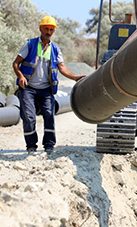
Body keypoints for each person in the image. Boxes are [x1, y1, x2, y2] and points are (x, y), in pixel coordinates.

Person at [13, 16, 85, 155]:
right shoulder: (30, 44)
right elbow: (16, 63)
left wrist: (75, 77)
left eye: (51, 29)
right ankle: (31, 146)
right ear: (40, 28)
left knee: (49, 115)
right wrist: (21, 77)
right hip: (28, 88)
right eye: (46, 28)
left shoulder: (55, 49)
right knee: (29, 117)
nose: (48, 32)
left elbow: (62, 68)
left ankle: (49, 145)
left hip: (46, 89)